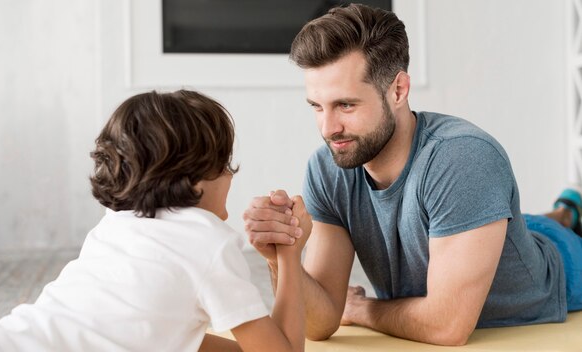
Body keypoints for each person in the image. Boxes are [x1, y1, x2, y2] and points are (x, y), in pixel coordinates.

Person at [243, 4, 582, 346]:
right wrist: (281, 258)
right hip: (474, 228)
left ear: (399, 90)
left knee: (546, 231)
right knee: (523, 220)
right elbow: (321, 320)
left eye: (346, 105)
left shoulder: (463, 160)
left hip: (560, 266)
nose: (329, 129)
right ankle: (568, 208)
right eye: (317, 106)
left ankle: (568, 214)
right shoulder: (328, 167)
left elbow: (445, 327)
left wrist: (362, 309)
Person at [0, 90, 310, 351]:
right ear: (197, 182)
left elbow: (163, 336)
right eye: (225, 164)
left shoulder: (117, 223)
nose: (231, 176)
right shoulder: (209, 243)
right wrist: (289, 255)